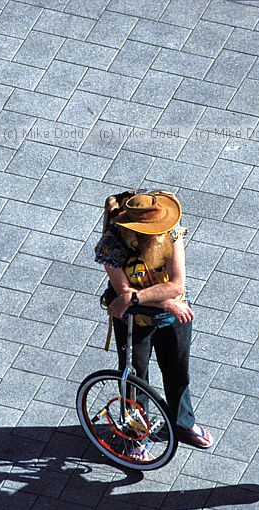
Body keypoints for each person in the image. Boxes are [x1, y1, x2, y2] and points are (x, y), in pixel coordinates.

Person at [93, 190, 213, 452]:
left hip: (170, 315)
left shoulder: (171, 232)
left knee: (178, 372)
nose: (160, 232)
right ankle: (136, 434)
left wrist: (155, 300)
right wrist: (165, 300)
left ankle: (183, 422)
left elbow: (176, 285)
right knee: (135, 378)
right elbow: (123, 293)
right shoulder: (111, 245)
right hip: (135, 322)